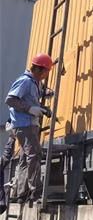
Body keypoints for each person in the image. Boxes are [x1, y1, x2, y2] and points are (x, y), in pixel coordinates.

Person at [4, 53, 53, 202]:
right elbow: (10, 100)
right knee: (35, 155)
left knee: (25, 158)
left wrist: (42, 108)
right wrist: (30, 109)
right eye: (46, 72)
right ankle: (35, 192)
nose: (46, 75)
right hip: (24, 125)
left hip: (28, 125)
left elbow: (30, 100)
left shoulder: (34, 83)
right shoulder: (25, 81)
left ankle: (21, 193)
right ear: (39, 69)